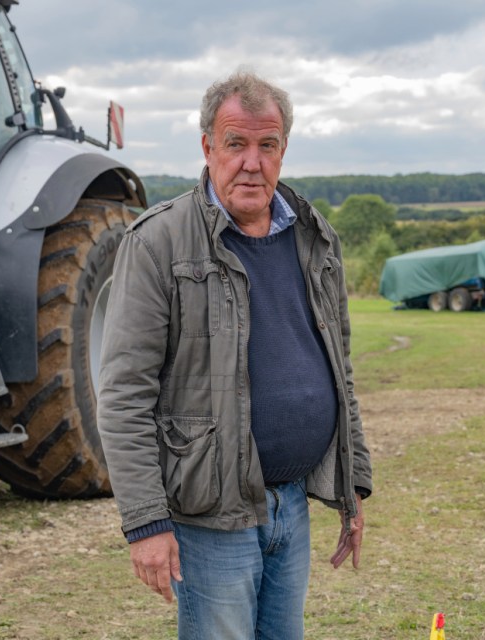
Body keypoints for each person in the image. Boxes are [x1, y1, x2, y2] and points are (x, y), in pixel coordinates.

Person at [97, 70, 373, 639]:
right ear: (207, 148)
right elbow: (123, 396)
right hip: (210, 515)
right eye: (236, 143)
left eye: (266, 145)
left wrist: (352, 483)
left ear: (283, 150)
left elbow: (340, 370)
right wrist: (146, 523)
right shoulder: (157, 243)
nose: (252, 162)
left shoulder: (314, 240)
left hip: (291, 505)